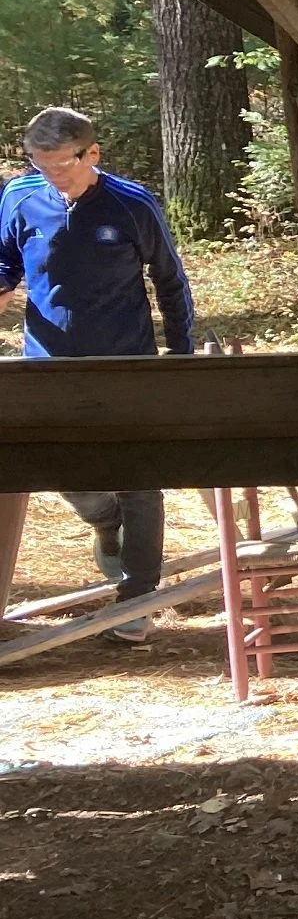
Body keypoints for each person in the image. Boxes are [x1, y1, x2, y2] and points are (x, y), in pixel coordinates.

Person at [0, 107, 196, 645]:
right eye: (40, 164)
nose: (50, 176)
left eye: (61, 165)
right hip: (47, 364)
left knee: (139, 478)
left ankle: (137, 599)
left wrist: (180, 360)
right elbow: (4, 262)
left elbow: (171, 282)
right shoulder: (19, 197)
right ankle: (104, 521)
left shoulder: (131, 204)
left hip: (124, 363)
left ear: (92, 155)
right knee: (65, 471)